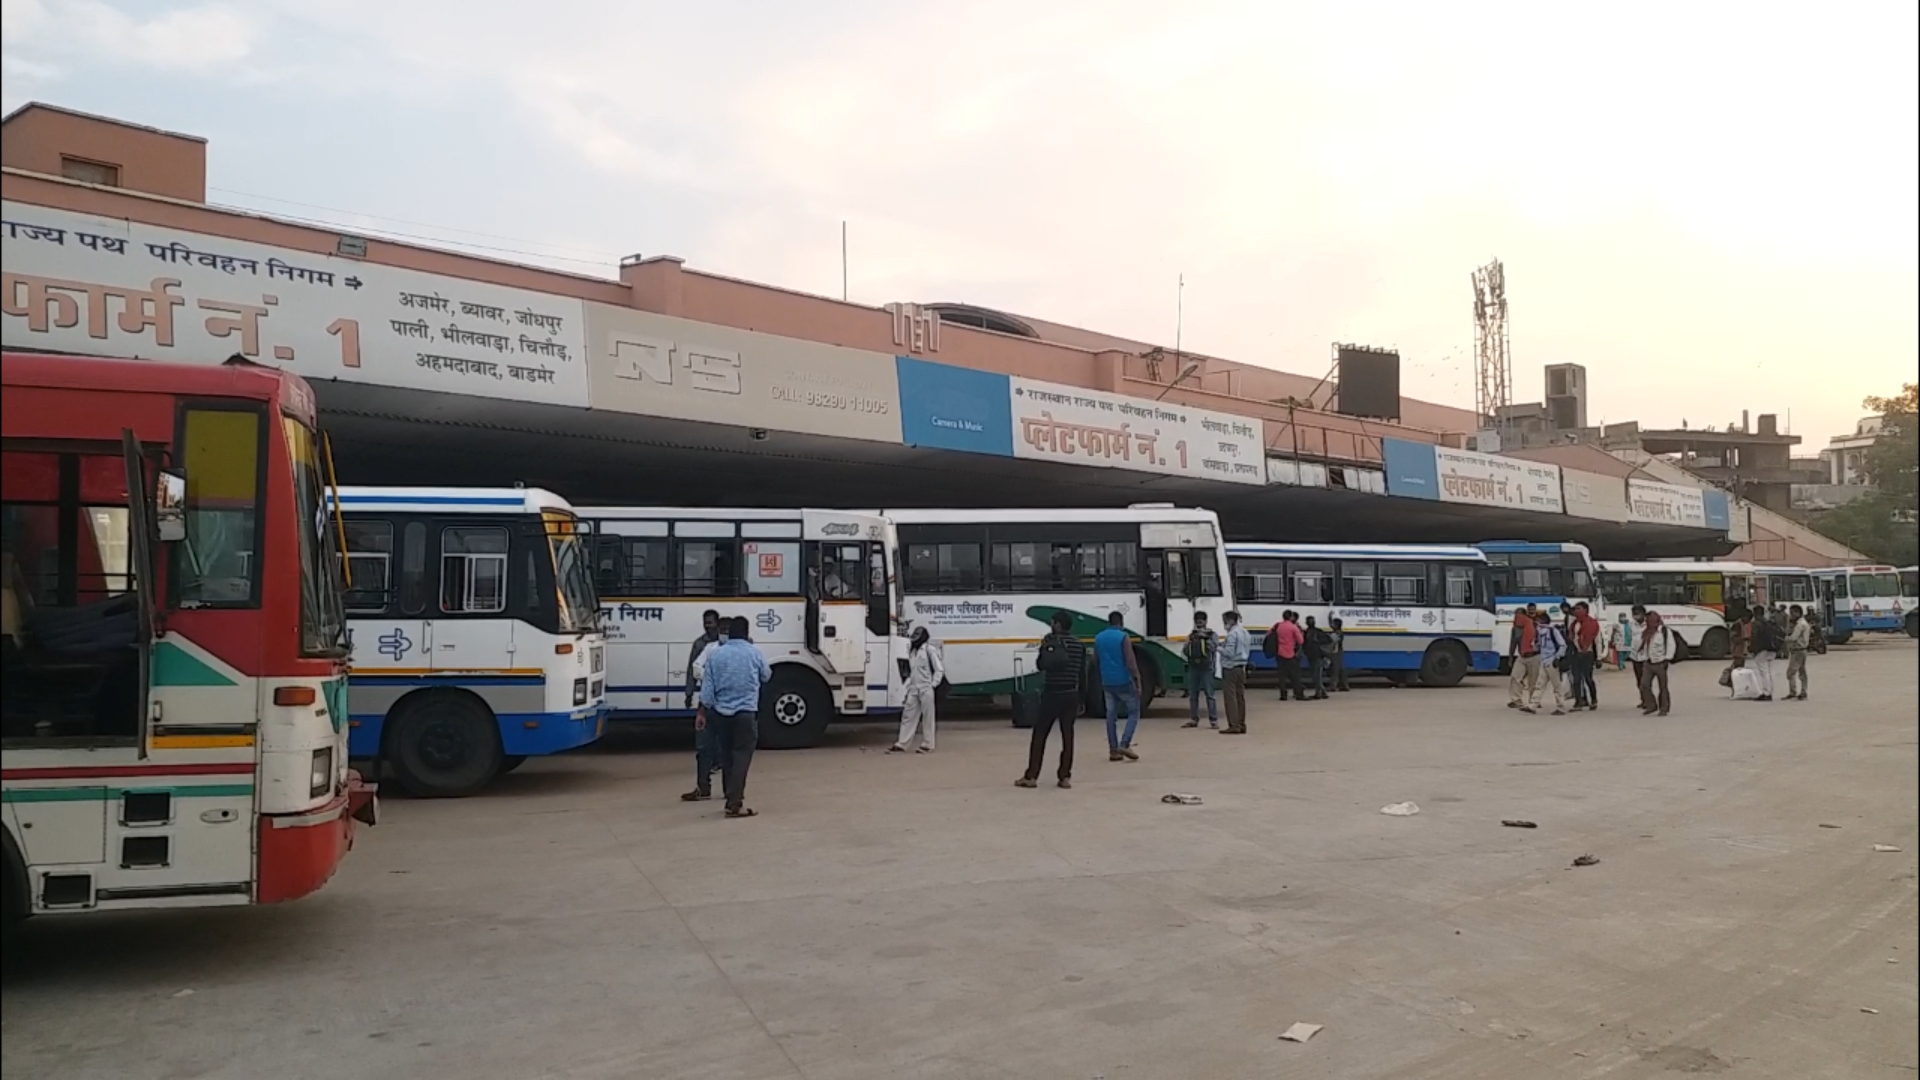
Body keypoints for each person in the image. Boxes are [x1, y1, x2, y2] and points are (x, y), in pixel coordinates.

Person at [700, 616, 771, 818]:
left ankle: (728, 793)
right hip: (745, 712)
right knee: (742, 754)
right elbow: (766, 675)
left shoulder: (715, 655)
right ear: (747, 633)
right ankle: (734, 802)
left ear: (729, 632)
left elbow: (707, 691)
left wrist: (703, 712)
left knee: (726, 754)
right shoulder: (754, 652)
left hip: (721, 714)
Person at [1017, 611, 1086, 788]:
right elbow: (1082, 673)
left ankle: (1031, 776)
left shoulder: (1050, 641)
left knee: (1040, 734)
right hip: (1071, 694)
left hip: (1052, 694)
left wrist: (1045, 648)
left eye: (1053, 622)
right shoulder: (1079, 645)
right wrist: (1082, 699)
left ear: (1058, 625)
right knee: (1067, 736)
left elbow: (1041, 665)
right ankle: (1064, 777)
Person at [681, 612, 729, 802]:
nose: (708, 627)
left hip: (724, 705)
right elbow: (693, 669)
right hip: (709, 703)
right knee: (704, 747)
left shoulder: (731, 648)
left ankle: (728, 789)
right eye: (705, 623)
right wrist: (689, 692)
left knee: (725, 747)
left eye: (711, 623)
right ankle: (704, 785)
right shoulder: (704, 646)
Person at [1094, 611, 1143, 758]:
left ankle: (1113, 750)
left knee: (1111, 716)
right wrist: (1137, 681)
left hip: (1107, 682)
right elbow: (1130, 662)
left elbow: (1095, 661)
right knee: (1134, 712)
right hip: (1123, 681)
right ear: (1121, 622)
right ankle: (1125, 744)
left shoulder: (1099, 637)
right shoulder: (1123, 637)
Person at [891, 626, 944, 752]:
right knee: (907, 716)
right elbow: (911, 672)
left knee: (928, 717)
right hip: (914, 689)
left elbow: (939, 669)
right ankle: (902, 744)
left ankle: (928, 744)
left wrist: (933, 684)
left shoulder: (929, 650)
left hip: (926, 688)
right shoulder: (912, 651)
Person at [1179, 611, 1220, 729]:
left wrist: (1205, 639)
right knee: (1193, 694)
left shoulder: (1212, 635)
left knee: (1209, 694)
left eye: (1201, 621)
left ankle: (1213, 720)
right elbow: (1185, 651)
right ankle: (1194, 719)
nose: (1199, 623)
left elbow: (1214, 648)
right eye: (1198, 621)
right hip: (1194, 667)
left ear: (1206, 622)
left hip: (1207, 668)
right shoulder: (1191, 635)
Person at [1218, 610, 1251, 734]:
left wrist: (1217, 647)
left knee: (1230, 697)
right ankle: (1242, 723)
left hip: (1230, 667)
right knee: (1240, 697)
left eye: (1225, 621)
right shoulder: (1245, 632)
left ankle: (1233, 725)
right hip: (1241, 667)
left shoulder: (1232, 634)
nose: (1224, 624)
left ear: (1231, 620)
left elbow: (1229, 653)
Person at [1533, 610, 1570, 715]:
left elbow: (1563, 645)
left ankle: (1561, 707)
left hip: (1552, 661)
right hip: (1544, 661)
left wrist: (1557, 658)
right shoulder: (1540, 633)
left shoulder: (1553, 631)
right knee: (1539, 684)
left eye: (1539, 620)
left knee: (1557, 686)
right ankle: (1533, 705)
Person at [1507, 603, 1542, 712]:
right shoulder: (1515, 628)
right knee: (1515, 677)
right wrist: (1511, 657)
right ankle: (1516, 700)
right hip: (1522, 656)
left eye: (1519, 614)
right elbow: (1513, 643)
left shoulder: (1535, 625)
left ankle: (1534, 701)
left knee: (1533, 680)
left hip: (1534, 656)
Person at [1641, 610, 1675, 716]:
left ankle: (1664, 708)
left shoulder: (1665, 631)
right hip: (1648, 662)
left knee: (1663, 687)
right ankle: (1652, 705)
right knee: (1644, 685)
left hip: (1660, 663)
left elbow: (1671, 645)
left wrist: (1667, 659)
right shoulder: (1647, 631)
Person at [1267, 611, 1307, 701]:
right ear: (1291, 617)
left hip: (1279, 653)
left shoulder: (1278, 625)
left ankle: (1283, 694)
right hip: (1290, 654)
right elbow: (1301, 641)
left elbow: (1268, 634)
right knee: (1295, 675)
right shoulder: (1293, 627)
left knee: (1282, 676)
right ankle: (1298, 693)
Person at [1569, 602, 1601, 710]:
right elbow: (1572, 639)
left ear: (1586, 610)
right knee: (1576, 679)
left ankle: (1593, 700)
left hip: (1588, 653)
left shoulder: (1592, 624)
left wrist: (1599, 658)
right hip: (1576, 654)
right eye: (1575, 608)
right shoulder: (1574, 624)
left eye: (1579, 608)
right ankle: (1579, 701)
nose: (1576, 611)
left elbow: (1597, 641)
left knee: (1588, 678)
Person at [1747, 606, 1778, 702]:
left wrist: (1751, 648)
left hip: (1761, 649)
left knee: (1763, 672)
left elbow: (1754, 637)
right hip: (1771, 649)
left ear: (1755, 614)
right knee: (1769, 672)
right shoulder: (1768, 623)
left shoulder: (1756, 624)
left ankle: (1766, 693)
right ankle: (1769, 691)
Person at [1785, 604, 1811, 701]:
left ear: (1797, 613)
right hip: (1802, 650)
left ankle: (1793, 691)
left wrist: (1785, 639)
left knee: (1791, 672)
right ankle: (1803, 691)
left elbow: (1793, 637)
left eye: (1792, 613)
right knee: (1802, 672)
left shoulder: (1800, 625)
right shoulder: (1803, 623)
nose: (1790, 615)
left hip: (1798, 650)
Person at [1303, 616, 1332, 700]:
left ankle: (1319, 693)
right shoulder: (1318, 632)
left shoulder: (1308, 632)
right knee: (1316, 675)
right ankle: (1322, 692)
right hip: (1316, 656)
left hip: (1315, 656)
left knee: (1316, 676)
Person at [1326, 616, 1350, 691]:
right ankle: (1345, 685)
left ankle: (1333, 686)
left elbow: (1332, 641)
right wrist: (1329, 617)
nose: (1331, 625)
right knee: (1341, 670)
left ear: (1336, 625)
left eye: (1333, 624)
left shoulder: (1337, 633)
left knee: (1335, 670)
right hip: (1339, 652)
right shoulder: (1339, 632)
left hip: (1336, 653)